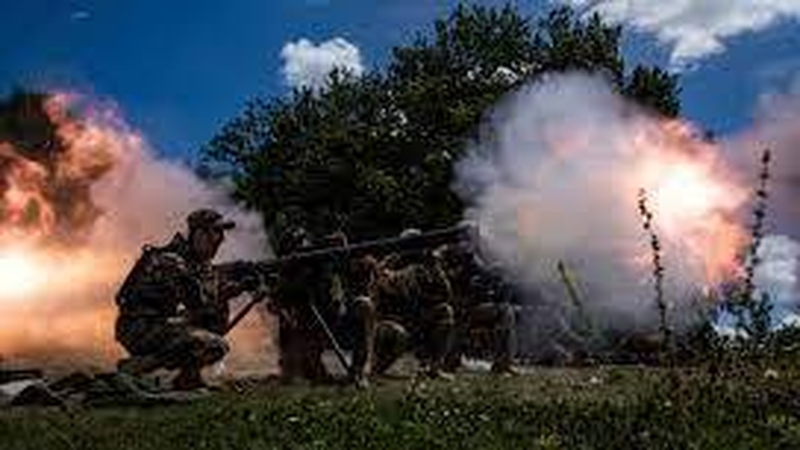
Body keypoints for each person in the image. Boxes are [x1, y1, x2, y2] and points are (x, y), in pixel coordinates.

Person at [114, 209, 262, 390]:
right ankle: (137, 366)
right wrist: (232, 290)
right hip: (139, 328)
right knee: (214, 345)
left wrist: (236, 281)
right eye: (215, 233)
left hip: (156, 322)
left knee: (209, 324)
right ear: (198, 234)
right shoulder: (172, 262)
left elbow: (203, 303)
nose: (220, 240)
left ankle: (189, 377)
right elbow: (200, 304)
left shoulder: (191, 262)